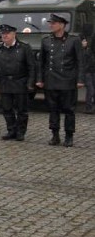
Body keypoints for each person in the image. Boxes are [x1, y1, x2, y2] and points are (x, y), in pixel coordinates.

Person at [36, 13, 84, 147]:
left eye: (54, 23)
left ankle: (69, 136)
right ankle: (55, 135)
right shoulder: (46, 40)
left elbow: (80, 61)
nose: (51, 25)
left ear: (62, 25)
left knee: (69, 110)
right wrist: (40, 79)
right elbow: (41, 62)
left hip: (68, 80)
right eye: (50, 23)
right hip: (51, 80)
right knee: (53, 109)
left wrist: (80, 79)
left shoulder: (74, 40)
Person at [0, 24, 35, 141]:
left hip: (20, 81)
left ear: (14, 34)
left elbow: (31, 66)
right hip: (5, 82)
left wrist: (30, 83)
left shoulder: (24, 48)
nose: (4, 36)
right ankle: (11, 130)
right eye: (3, 34)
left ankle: (21, 132)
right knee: (6, 108)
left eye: (7, 34)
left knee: (22, 109)